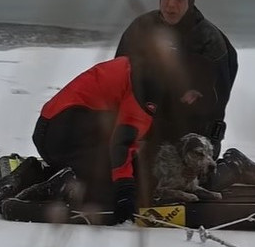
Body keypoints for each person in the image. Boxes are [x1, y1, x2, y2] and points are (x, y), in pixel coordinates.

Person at [114, 0, 238, 159]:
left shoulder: (208, 40)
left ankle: (234, 166)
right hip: (141, 131)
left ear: (190, 1)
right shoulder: (141, 29)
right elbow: (117, 80)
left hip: (192, 140)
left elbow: (214, 105)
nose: (171, 5)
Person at [28, 55, 164, 224]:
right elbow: (122, 142)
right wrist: (124, 189)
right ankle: (57, 187)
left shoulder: (142, 64)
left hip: (54, 129)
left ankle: (46, 173)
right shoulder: (149, 84)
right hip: (63, 132)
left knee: (137, 178)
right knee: (117, 196)